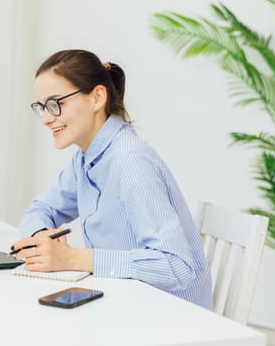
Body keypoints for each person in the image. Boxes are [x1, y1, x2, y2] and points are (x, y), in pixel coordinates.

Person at [13, 49, 212, 309]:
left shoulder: (130, 162)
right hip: (122, 304)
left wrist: (73, 259)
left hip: (167, 318)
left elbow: (176, 267)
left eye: (56, 104)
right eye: (42, 108)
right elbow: (41, 209)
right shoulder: (86, 158)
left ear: (97, 97)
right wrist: (42, 237)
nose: (47, 119)